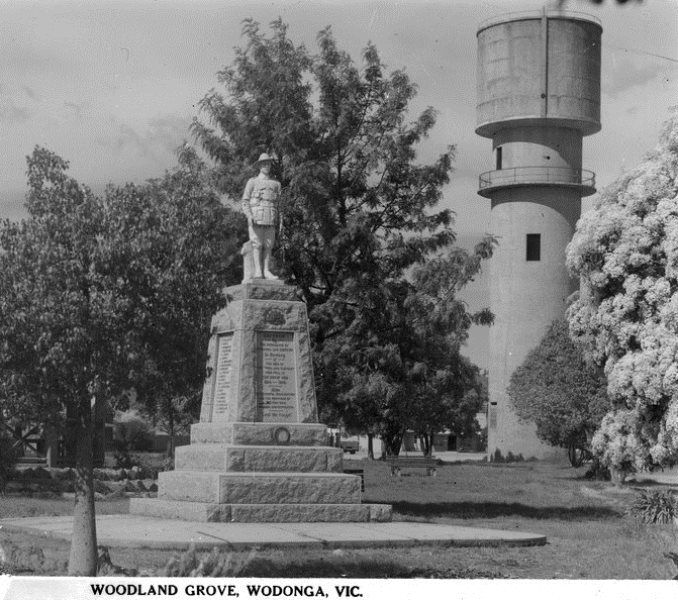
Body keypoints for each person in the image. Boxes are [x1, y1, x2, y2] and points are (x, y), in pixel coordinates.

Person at [241, 153, 282, 280]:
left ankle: (267, 270)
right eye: (263, 163)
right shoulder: (252, 182)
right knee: (257, 245)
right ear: (259, 166)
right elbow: (245, 201)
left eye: (268, 163)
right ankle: (258, 271)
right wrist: (249, 215)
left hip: (271, 218)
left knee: (268, 245)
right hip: (256, 218)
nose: (266, 166)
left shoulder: (276, 184)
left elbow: (279, 204)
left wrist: (281, 221)